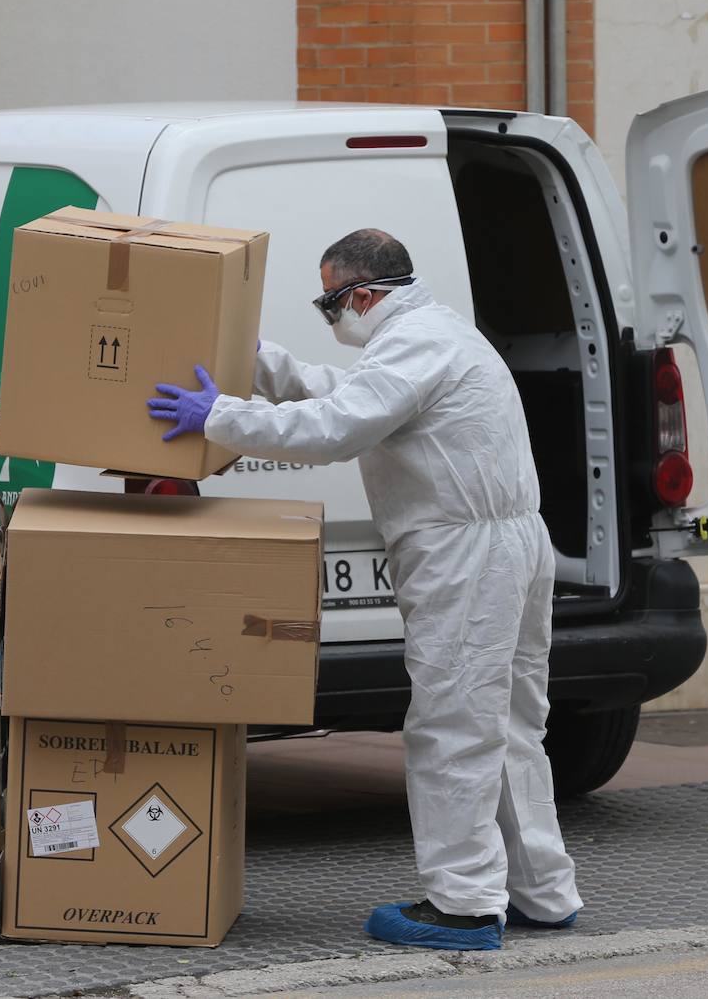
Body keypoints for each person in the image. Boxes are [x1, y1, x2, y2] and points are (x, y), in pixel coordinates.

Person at [147, 229, 581, 952]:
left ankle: (466, 904)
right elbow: (344, 394)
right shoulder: (431, 336)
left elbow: (338, 426)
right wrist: (257, 366)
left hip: (465, 551)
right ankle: (542, 889)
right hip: (507, 541)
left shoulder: (414, 344)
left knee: (453, 725)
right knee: (508, 724)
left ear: (363, 295)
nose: (331, 319)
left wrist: (219, 417)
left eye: (329, 305)